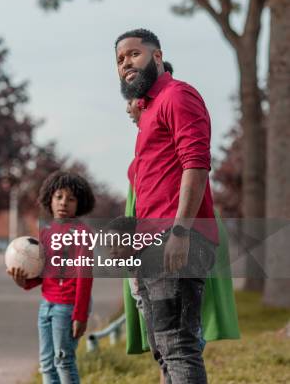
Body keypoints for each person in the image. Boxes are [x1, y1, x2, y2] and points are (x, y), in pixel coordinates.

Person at [115, 28, 218, 383]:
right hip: (150, 245)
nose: (126, 63)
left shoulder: (177, 95)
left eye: (133, 54)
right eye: (119, 59)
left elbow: (196, 163)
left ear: (157, 57)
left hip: (175, 240)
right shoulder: (149, 114)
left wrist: (180, 231)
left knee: (178, 346)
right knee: (163, 349)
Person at [8, 171, 95, 384]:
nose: (64, 202)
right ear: (50, 199)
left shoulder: (83, 234)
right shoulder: (46, 234)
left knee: (63, 361)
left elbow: (85, 278)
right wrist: (24, 282)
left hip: (67, 308)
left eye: (71, 199)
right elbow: (44, 274)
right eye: (59, 197)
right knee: (46, 363)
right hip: (46, 305)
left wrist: (80, 315)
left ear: (80, 203)